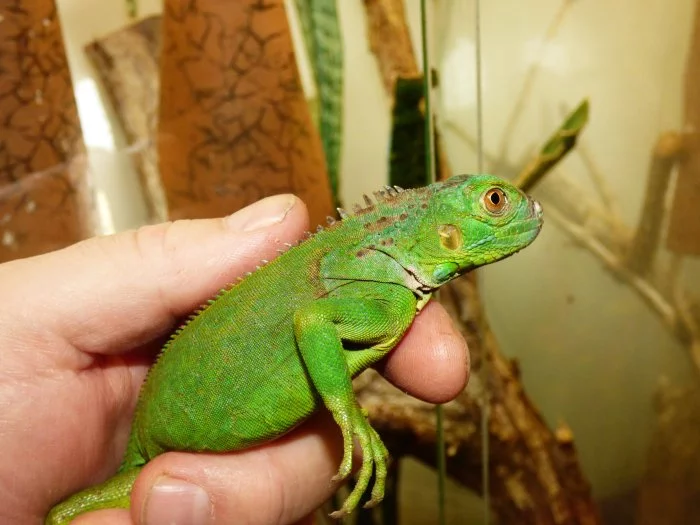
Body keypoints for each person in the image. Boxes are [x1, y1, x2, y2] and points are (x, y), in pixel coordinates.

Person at [0, 194, 469, 525]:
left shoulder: (386, 290)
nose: (524, 210)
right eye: (494, 203)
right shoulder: (386, 299)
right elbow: (313, 324)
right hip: (158, 439)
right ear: (447, 233)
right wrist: (346, 411)